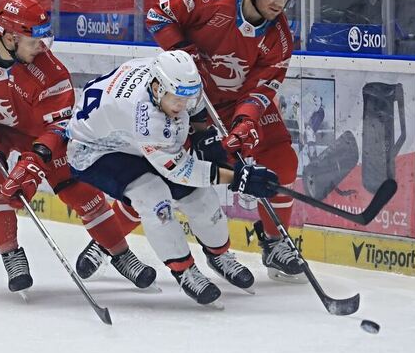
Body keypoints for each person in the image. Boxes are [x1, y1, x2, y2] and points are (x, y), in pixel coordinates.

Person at [0, 0, 156, 294]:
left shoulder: (51, 73)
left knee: (79, 191)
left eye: (44, 38)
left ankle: (121, 254)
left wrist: (33, 164)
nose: (41, 47)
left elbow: (59, 127)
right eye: (33, 41)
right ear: (7, 37)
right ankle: (11, 255)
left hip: (37, 133)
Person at [65, 50, 280, 305]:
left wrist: (203, 134)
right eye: (177, 100)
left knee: (200, 198)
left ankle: (218, 254)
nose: (182, 107)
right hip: (95, 151)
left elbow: (197, 106)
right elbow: (182, 171)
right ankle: (185, 271)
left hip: (127, 139)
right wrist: (238, 178)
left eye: (186, 99)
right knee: (154, 198)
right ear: (156, 88)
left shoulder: (179, 80)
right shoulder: (145, 119)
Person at [142, 0, 305, 282]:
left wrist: (245, 123)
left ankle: (275, 243)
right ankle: (108, 244)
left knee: (283, 160)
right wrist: (183, 52)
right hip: (184, 99)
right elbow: (157, 14)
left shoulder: (281, 38)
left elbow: (261, 89)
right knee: (155, 177)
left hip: (236, 101)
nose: (279, 2)